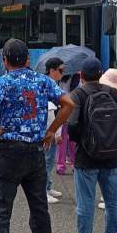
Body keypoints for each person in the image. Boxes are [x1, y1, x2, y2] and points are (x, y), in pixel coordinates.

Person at [0, 38, 74, 233]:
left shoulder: (2, 82)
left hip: (9, 152)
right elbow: (68, 104)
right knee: (39, 208)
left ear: (4, 60)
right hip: (35, 151)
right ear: (28, 59)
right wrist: (51, 129)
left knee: (2, 212)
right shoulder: (43, 81)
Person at [63, 58, 117, 233]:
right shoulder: (113, 93)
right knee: (112, 201)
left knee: (85, 203)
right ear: (100, 73)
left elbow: (73, 126)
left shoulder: (77, 94)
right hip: (111, 157)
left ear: (81, 76)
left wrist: (84, 142)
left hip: (86, 158)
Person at [97, 68, 117, 210]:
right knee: (114, 169)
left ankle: (113, 198)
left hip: (111, 137)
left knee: (113, 170)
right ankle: (113, 198)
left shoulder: (115, 95)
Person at [44, 57, 65, 204]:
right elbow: (50, 112)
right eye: (60, 70)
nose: (62, 74)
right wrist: (56, 133)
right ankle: (43, 191)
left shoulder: (53, 84)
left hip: (51, 130)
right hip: (49, 131)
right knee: (46, 161)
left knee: (50, 160)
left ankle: (48, 187)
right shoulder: (48, 85)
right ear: (52, 70)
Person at [56, 74, 79, 175]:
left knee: (63, 139)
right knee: (72, 139)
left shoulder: (59, 78)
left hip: (62, 108)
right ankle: (74, 164)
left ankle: (61, 165)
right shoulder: (76, 77)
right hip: (71, 109)